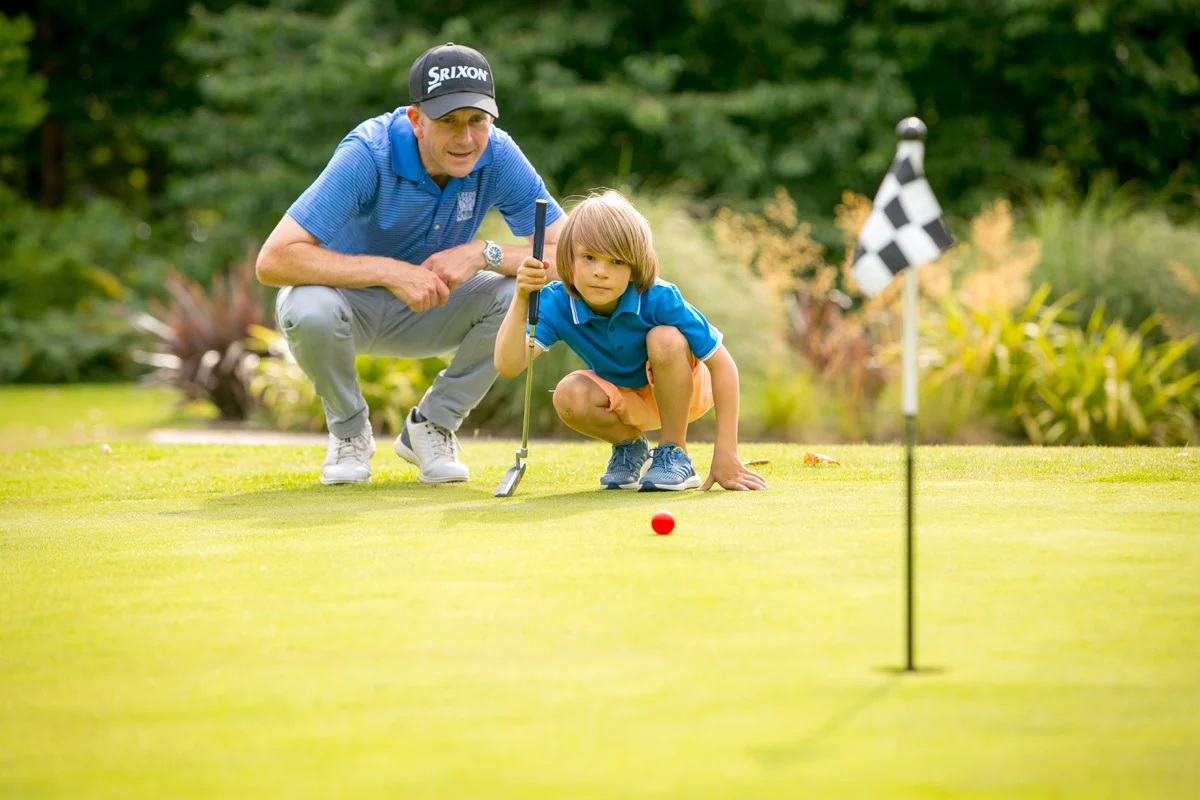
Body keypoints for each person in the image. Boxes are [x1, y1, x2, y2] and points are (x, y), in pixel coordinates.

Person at [256, 43, 566, 485]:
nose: (465, 139)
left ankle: (433, 426)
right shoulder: (369, 152)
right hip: (348, 308)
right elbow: (274, 260)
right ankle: (349, 433)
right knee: (309, 309)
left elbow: (571, 255)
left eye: (477, 120)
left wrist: (486, 253)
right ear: (416, 121)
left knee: (529, 292)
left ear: (491, 118)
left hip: (434, 307)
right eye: (448, 122)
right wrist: (389, 270)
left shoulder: (497, 154)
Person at [494, 190, 768, 492]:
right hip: (623, 399)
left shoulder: (659, 297)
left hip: (684, 395)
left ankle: (675, 452)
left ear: (634, 266)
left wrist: (726, 454)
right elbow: (508, 365)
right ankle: (630, 446)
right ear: (569, 257)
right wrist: (521, 297)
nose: (600, 272)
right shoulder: (557, 302)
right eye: (589, 257)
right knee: (567, 395)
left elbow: (724, 365)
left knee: (664, 338)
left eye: (616, 261)